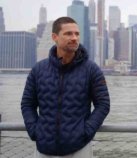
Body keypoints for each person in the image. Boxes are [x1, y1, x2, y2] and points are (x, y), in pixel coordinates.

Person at [21, 17, 110, 157]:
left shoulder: (91, 69)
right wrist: (34, 131)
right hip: (44, 149)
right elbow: (27, 104)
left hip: (79, 149)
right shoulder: (38, 70)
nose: (74, 38)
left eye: (77, 34)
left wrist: (85, 132)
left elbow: (103, 104)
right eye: (68, 34)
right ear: (54, 37)